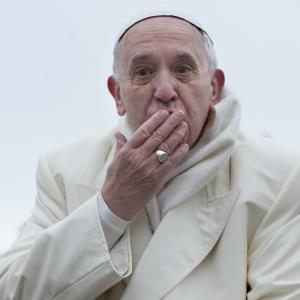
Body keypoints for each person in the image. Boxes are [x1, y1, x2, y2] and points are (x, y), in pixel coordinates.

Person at [1, 11, 300, 300]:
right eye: (143, 72)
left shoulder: (279, 174)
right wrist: (111, 207)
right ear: (118, 95)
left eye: (183, 69)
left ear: (214, 89)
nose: (166, 90)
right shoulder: (64, 170)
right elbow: (14, 291)